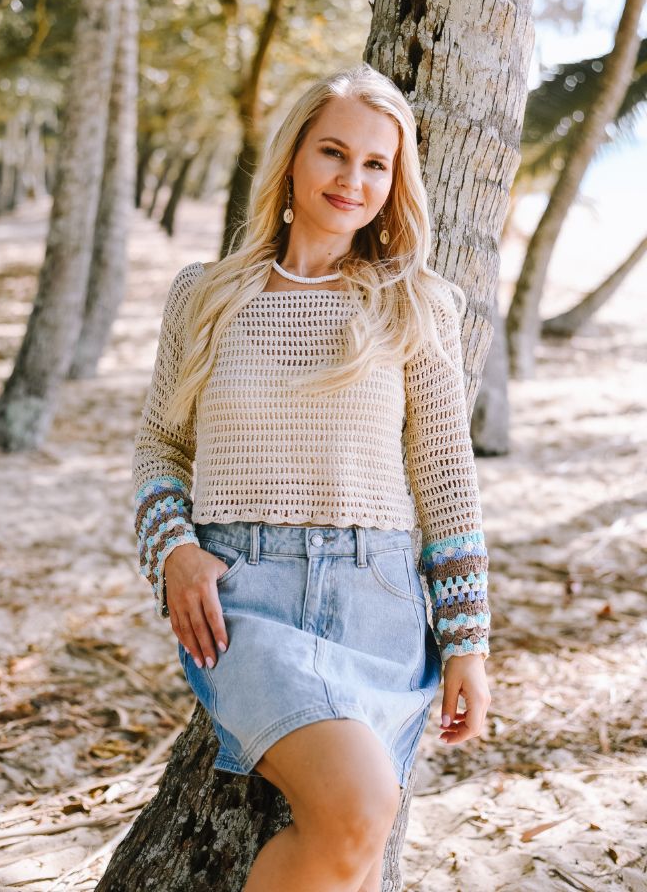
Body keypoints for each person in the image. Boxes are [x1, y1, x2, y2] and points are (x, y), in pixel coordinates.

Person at [132, 62, 491, 892]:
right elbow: (159, 448)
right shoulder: (206, 296)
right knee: (360, 811)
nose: (353, 179)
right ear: (293, 156)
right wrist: (174, 554)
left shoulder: (415, 303)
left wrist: (469, 640)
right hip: (244, 600)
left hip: (383, 603)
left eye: (377, 165)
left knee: (358, 859)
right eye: (334, 152)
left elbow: (446, 480)